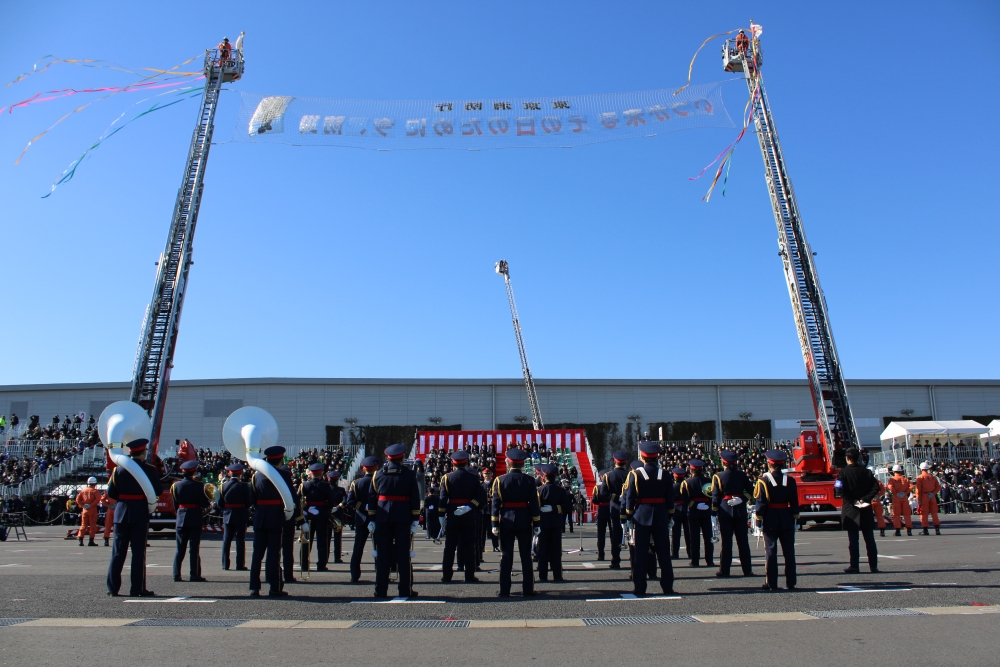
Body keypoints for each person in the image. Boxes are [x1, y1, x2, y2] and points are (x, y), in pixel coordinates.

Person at [106, 439, 163, 597]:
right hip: (139, 512)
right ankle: (137, 588)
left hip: (122, 512)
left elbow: (111, 493)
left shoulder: (119, 470)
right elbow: (157, 490)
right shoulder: (149, 469)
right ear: (143, 452)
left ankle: (112, 588)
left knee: (118, 552)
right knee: (138, 553)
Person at [367, 444, 421, 598]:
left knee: (383, 555)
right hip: (403, 517)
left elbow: (372, 498)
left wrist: (372, 519)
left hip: (382, 517)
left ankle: (380, 590)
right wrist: (415, 519)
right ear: (402, 458)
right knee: (403, 555)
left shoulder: (377, 475)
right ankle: (405, 589)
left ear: (387, 458)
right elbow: (415, 499)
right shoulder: (409, 475)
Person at [622, 441, 674, 596]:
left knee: (641, 554)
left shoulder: (635, 475)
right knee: (664, 554)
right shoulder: (665, 474)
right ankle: (667, 586)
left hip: (641, 517)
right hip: (660, 515)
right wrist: (670, 515)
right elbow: (670, 499)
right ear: (656, 457)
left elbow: (630, 498)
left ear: (642, 457)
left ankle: (640, 587)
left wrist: (629, 515)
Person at [491, 448, 541, 597]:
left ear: (508, 462)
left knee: (506, 556)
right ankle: (528, 589)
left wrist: (494, 524)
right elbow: (533, 503)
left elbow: (495, 504)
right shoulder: (530, 480)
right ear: (522, 464)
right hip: (525, 519)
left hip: (506, 519)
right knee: (526, 556)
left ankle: (504, 590)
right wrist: (537, 523)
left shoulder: (500, 480)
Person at [249, 446, 293, 597]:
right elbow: (291, 497)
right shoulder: (284, 475)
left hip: (260, 516)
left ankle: (254, 587)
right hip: (275, 516)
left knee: (257, 554)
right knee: (273, 554)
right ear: (281, 459)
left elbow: (252, 499)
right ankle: (274, 587)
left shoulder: (256, 476)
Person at [754, 450, 798, 591]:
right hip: (786, 517)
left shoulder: (764, 480)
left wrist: (758, 520)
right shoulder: (790, 480)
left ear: (769, 464)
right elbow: (795, 502)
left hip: (771, 518)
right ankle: (791, 582)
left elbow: (761, 503)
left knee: (771, 552)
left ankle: (772, 583)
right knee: (789, 552)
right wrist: (795, 517)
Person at [439, 450, 486, 583]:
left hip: (453, 513)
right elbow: (480, 498)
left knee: (450, 546)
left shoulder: (447, 478)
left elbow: (443, 499)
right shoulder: (474, 477)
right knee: (469, 546)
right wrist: (470, 506)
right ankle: (469, 575)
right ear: (465, 462)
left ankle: (446, 575)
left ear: (453, 463)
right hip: (469, 514)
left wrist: (441, 515)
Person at [710, 450, 754, 578]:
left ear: (723, 462)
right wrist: (742, 499)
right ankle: (747, 570)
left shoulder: (718, 476)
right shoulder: (742, 475)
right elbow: (751, 490)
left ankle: (725, 570)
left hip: (725, 511)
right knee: (743, 542)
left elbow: (716, 497)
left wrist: (713, 513)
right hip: (740, 509)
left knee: (726, 542)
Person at [836, 447, 879, 574]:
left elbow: (839, 490)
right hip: (865, 507)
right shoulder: (867, 472)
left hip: (850, 508)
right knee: (870, 539)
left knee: (853, 540)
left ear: (847, 458)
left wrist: (853, 500)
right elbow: (876, 487)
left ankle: (854, 565)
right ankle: (873, 566)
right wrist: (865, 499)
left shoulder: (842, 473)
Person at [171, 460, 210, 582]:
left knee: (180, 548)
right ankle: (194, 574)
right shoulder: (199, 486)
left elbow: (175, 504)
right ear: (194, 471)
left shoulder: (175, 486)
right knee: (194, 547)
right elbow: (203, 503)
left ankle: (176, 574)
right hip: (195, 517)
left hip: (182, 517)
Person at [536, 464, 570, 582]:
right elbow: (567, 507)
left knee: (543, 550)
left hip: (543, 523)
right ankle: (557, 575)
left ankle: (543, 575)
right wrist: (555, 509)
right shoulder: (561, 490)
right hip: (556, 523)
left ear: (544, 476)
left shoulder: (539, 490)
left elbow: (535, 507)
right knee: (556, 550)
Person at [679, 459, 715, 567]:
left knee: (694, 538)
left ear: (691, 470)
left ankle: (695, 560)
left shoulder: (686, 482)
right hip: (706, 510)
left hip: (694, 511)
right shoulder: (709, 481)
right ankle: (710, 560)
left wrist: (694, 505)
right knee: (708, 537)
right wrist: (708, 505)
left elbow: (684, 498)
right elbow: (713, 495)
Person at [300, 463, 333, 571]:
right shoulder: (326, 486)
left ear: (311, 474)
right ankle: (321, 564)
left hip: (308, 514)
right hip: (321, 514)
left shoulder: (304, 485)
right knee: (322, 540)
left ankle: (304, 564)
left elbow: (298, 500)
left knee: (306, 540)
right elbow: (331, 502)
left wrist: (306, 508)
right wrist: (324, 508)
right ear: (321, 473)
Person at [218, 463, 250, 571]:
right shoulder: (244, 486)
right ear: (240, 473)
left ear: (229, 473)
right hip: (240, 514)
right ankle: (239, 565)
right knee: (240, 541)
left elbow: (220, 503)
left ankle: (225, 564)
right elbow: (248, 502)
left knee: (226, 541)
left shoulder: (223, 486)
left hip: (227, 515)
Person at [602, 452, 630, 569]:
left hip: (615, 508)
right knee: (633, 535)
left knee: (615, 535)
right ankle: (634, 560)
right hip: (629, 508)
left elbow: (604, 493)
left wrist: (614, 497)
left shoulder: (608, 476)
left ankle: (615, 560)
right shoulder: (630, 474)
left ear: (615, 461)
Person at [669, 467, 691, 560]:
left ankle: (675, 553)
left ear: (675, 477)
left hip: (676, 510)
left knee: (676, 534)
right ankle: (691, 552)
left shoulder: (672, 486)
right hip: (686, 509)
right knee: (688, 533)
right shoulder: (687, 485)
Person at [914, 461, 941, 535]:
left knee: (924, 514)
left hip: (924, 496)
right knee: (934, 513)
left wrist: (918, 499)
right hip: (932, 496)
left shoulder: (920, 478)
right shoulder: (932, 477)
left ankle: (925, 530)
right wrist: (933, 493)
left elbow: (918, 489)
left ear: (921, 469)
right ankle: (937, 530)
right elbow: (938, 487)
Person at [886, 465, 913, 536]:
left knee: (896, 514)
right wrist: (905, 493)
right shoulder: (905, 479)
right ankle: (909, 530)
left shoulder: (892, 479)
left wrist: (896, 493)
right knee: (907, 514)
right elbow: (911, 486)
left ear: (894, 471)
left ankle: (898, 530)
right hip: (904, 497)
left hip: (897, 497)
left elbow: (890, 487)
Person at [75, 476, 102, 547]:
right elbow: (98, 499)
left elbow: (77, 499)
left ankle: (80, 540)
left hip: (85, 510)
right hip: (92, 509)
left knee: (83, 525)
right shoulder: (95, 491)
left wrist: (83, 505)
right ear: (95, 483)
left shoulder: (83, 491)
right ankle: (91, 541)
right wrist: (91, 505)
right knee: (92, 525)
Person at [591, 468, 611, 560]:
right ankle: (614, 554)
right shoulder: (612, 486)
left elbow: (594, 500)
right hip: (611, 509)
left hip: (602, 510)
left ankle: (601, 554)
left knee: (601, 534)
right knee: (613, 533)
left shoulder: (598, 487)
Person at [327, 470, 346, 563]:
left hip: (328, 513)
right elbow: (345, 501)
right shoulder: (341, 490)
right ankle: (337, 557)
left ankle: (325, 557)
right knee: (337, 538)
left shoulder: (326, 489)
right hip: (338, 513)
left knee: (327, 537)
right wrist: (338, 507)